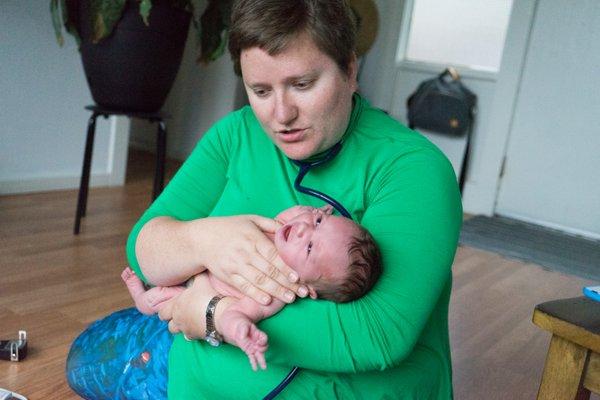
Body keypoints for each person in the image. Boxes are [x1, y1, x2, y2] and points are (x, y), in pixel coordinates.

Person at [66, 0, 462, 399]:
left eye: (303, 85)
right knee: (84, 359)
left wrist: (213, 314)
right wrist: (205, 241)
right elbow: (143, 250)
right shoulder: (236, 135)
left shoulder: (414, 169)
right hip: (196, 359)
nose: (281, 114)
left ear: (350, 70)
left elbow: (377, 334)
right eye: (260, 90)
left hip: (342, 386)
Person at [122, 204, 382, 370]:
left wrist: (240, 332)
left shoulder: (276, 291)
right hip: (192, 263)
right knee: (162, 275)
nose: (303, 229)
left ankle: (138, 296)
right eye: (318, 223)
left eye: (310, 247)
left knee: (157, 299)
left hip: (189, 292)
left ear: (307, 287)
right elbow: (295, 216)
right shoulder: (285, 228)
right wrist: (314, 214)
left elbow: (237, 313)